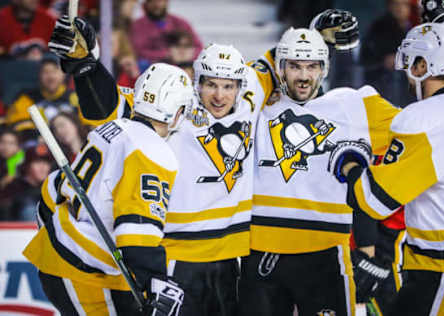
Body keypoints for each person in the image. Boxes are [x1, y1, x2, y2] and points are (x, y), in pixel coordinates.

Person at [46, 14, 275, 315]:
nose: (219, 96)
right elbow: (106, 104)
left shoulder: (251, 95)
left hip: (232, 258)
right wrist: (87, 66)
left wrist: (320, 35)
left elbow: (285, 64)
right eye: (210, 85)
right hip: (177, 256)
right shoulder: (173, 105)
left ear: (240, 85)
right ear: (197, 82)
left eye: (228, 86)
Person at [238, 12, 401, 316]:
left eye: (312, 66)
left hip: (327, 252)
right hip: (260, 250)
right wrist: (296, 41)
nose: (303, 76)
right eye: (295, 66)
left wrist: (374, 248)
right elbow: (239, 85)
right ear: (280, 68)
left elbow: (419, 131)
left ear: (324, 68)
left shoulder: (355, 105)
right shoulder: (258, 107)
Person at [330, 17, 444, 316]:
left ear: (423, 66)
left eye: (413, 63)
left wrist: (348, 161)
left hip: (443, 261)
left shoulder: (423, 121)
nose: (409, 74)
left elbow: (374, 200)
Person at [22, 62, 193, 315]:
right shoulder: (153, 152)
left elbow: (57, 183)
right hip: (84, 270)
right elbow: (137, 235)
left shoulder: (112, 128)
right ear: (177, 112)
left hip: (64, 258)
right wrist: (157, 283)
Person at [6, 55, 78, 131]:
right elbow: (17, 126)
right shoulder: (28, 98)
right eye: (45, 72)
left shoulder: (75, 97)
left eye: (55, 71)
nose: (51, 77)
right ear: (39, 75)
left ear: (64, 74)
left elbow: (89, 124)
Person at [129, 0, 202, 68]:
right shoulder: (138, 25)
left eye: (160, 1)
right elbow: (138, 51)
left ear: (167, 2)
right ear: (146, 4)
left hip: (183, 65)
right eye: (153, 1)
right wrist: (166, 54)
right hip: (154, 67)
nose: (157, 5)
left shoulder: (180, 22)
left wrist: (185, 54)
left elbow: (199, 48)